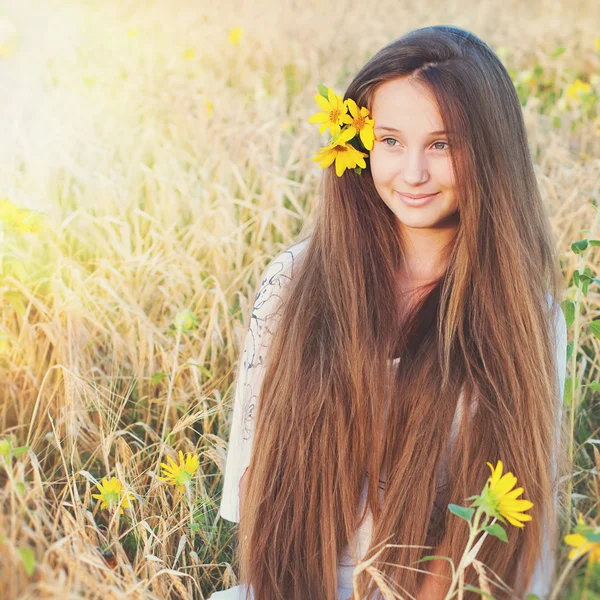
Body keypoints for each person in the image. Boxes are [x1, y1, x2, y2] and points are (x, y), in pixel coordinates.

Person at [210, 24, 568, 600]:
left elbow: (491, 531)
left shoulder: (526, 315)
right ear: (357, 146)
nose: (413, 174)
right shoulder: (292, 282)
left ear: (490, 151)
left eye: (443, 145)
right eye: (392, 141)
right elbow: (260, 487)